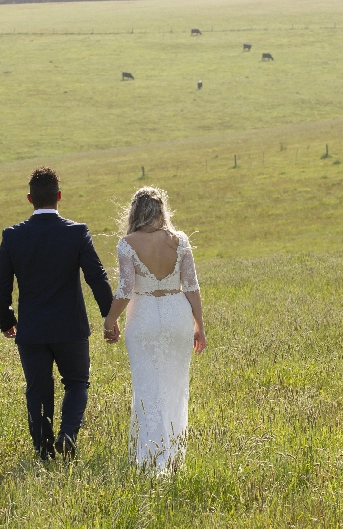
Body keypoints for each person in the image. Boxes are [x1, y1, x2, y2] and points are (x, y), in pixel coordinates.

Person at [0, 166, 119, 461]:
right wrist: (109, 316)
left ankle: (43, 452)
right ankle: (68, 435)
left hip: (32, 331)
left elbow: (1, 284)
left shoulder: (13, 236)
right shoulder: (77, 233)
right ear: (59, 196)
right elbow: (96, 276)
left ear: (29, 199)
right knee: (77, 382)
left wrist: (7, 320)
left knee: (38, 390)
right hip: (70, 328)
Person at [103, 187, 206, 472]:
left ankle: (147, 458)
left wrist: (109, 321)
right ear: (162, 211)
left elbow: (125, 290)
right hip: (178, 315)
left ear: (135, 212)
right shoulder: (180, 241)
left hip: (144, 315)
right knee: (175, 386)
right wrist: (200, 325)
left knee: (146, 387)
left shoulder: (127, 243)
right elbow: (192, 287)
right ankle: (172, 456)